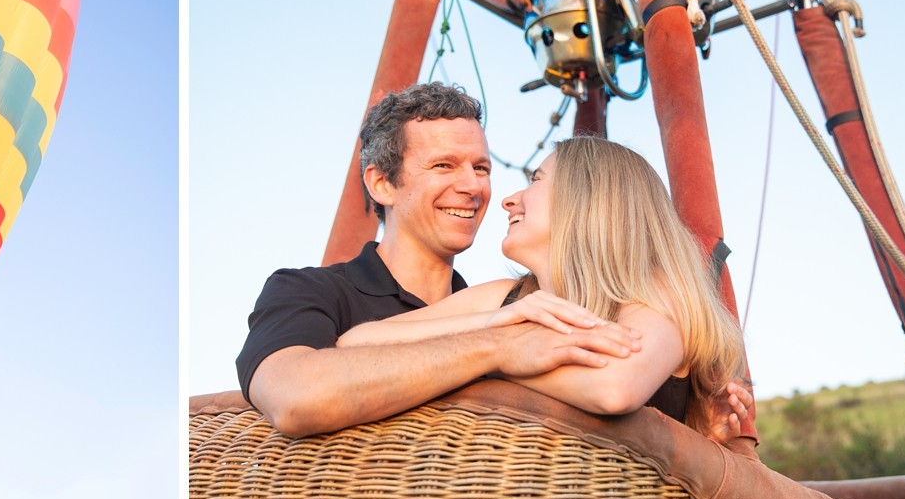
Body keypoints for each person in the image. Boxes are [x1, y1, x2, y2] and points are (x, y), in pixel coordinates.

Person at [237, 83, 753, 440]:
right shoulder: (308, 292)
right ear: (381, 183)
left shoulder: (499, 301)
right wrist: (501, 344)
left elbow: (619, 387)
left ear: (590, 207)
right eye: (443, 165)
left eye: (481, 167)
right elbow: (303, 388)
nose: (480, 188)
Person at [336, 136, 745, 435]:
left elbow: (613, 388)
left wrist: (494, 358)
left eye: (535, 179)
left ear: (586, 199)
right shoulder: (506, 299)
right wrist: (499, 330)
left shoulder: (660, 300)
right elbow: (356, 344)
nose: (508, 199)